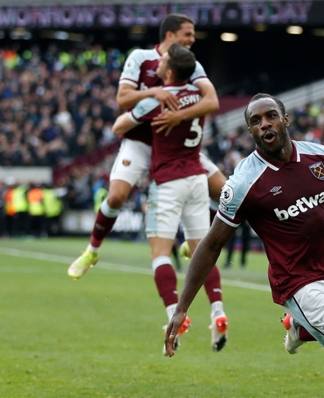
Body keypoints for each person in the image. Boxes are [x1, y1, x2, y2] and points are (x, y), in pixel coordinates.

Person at [165, 94, 324, 398]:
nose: (264, 124)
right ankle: (303, 319)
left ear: (285, 120)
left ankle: (301, 329)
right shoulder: (244, 183)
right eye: (255, 121)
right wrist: (181, 309)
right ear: (250, 132)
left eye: (270, 116)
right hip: (297, 284)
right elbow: (212, 244)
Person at [68, 13, 226, 279]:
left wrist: (179, 115)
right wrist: (153, 92)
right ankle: (92, 250)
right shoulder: (140, 58)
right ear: (170, 35)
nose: (192, 39)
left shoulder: (191, 64)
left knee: (226, 193)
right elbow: (122, 98)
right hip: (141, 141)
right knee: (116, 196)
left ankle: (195, 239)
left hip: (178, 147)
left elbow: (212, 101)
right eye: (188, 33)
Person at [111, 43, 228, 353]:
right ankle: (218, 311)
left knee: (160, 253)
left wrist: (148, 100)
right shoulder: (198, 96)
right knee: (201, 249)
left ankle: (173, 317)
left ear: (170, 71)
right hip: (196, 179)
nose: (158, 62)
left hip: (168, 181)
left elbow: (119, 125)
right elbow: (210, 101)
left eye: (162, 60)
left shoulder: (158, 101)